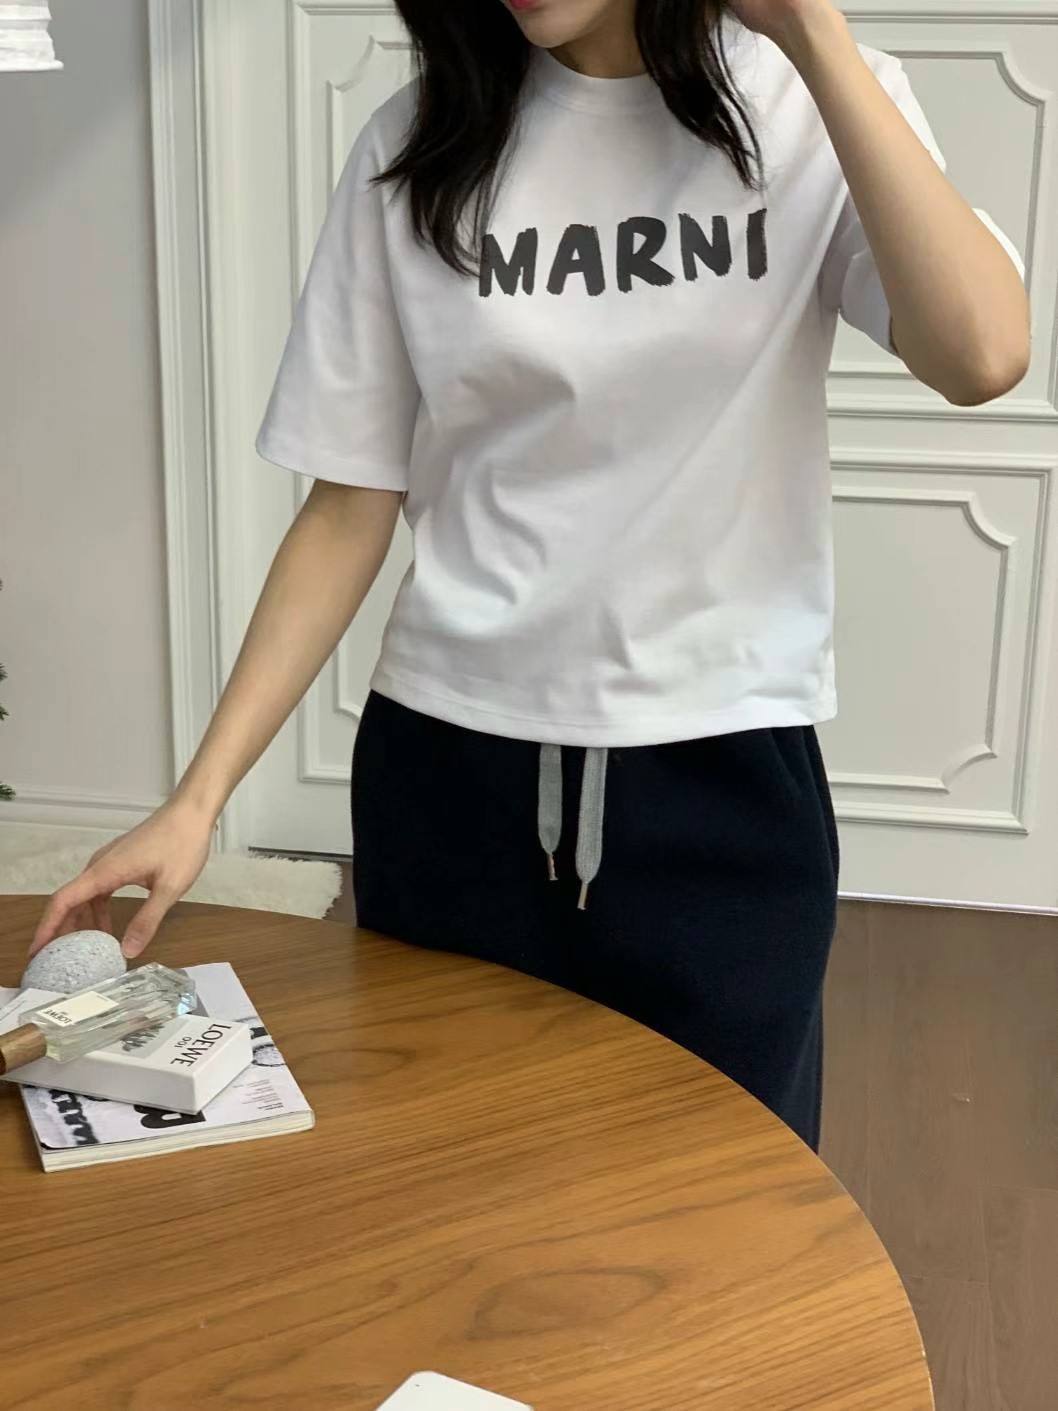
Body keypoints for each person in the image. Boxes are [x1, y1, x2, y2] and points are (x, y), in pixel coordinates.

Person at [32, 0, 1029, 1150]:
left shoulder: (804, 105)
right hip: (448, 776)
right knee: (448, 1182)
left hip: (720, 779)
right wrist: (198, 800)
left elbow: (979, 353)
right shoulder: (419, 145)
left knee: (725, 1197)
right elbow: (348, 504)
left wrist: (813, 35)